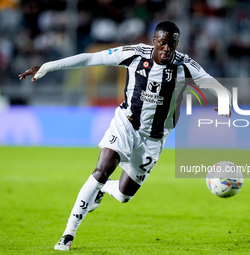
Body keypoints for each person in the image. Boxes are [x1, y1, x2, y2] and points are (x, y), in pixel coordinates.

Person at [18, 21, 232, 251]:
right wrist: (48, 67)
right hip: (126, 124)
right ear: (154, 41)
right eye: (162, 43)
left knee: (123, 196)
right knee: (102, 169)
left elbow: (213, 84)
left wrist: (224, 99)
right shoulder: (133, 55)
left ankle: (103, 190)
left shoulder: (185, 66)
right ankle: (68, 234)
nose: (167, 48)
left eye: (172, 44)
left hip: (154, 139)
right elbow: (90, 59)